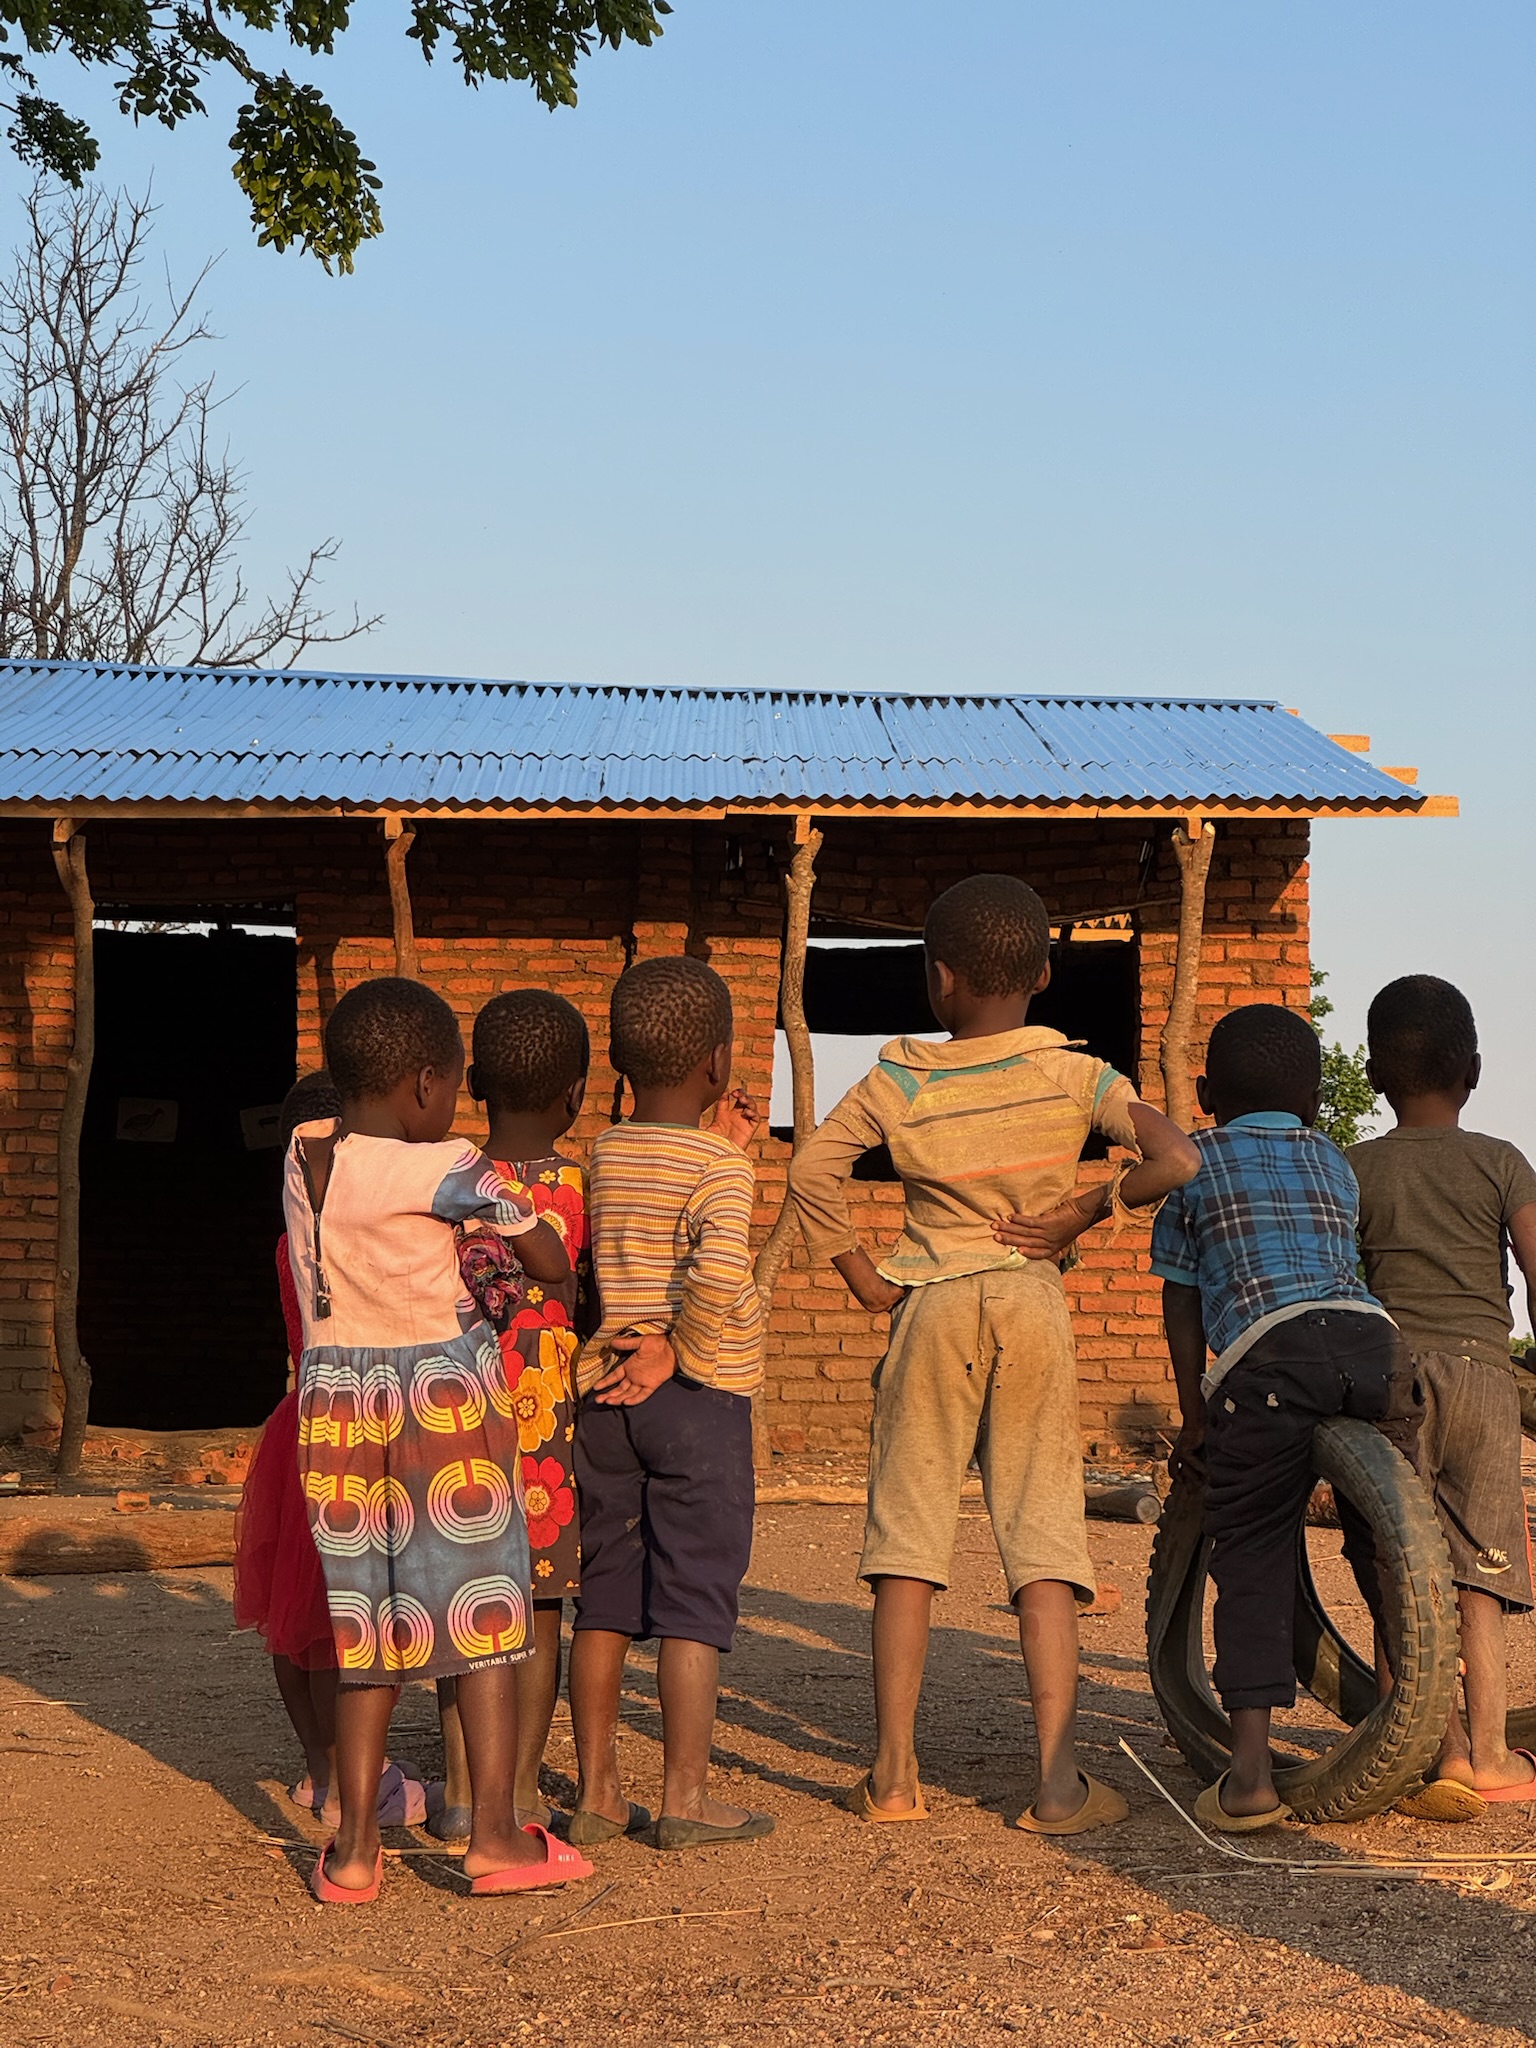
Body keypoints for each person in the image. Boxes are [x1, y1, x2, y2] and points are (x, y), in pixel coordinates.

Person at [788, 874, 1199, 1835]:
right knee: (1044, 1534)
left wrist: (859, 1272)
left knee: (907, 1534)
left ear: (938, 980)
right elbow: (1179, 1159)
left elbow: (812, 1167)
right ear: (1046, 975)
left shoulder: (899, 1077)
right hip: (1030, 1303)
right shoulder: (1075, 1075)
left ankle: (892, 1778)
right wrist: (1086, 1207)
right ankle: (1057, 1787)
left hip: (929, 1307)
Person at [284, 975, 594, 1902]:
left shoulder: (306, 1153)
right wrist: (528, 1249)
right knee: (484, 1620)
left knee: (366, 1633)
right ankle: (496, 1836)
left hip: (335, 1403)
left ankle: (351, 1857)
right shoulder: (452, 1164)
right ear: (424, 1086)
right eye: (453, 1083)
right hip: (443, 1402)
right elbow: (545, 1255)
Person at [1154, 1002, 1417, 1832]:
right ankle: (1419, 1739)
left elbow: (1182, 1299)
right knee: (1393, 1552)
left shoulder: (1190, 1165)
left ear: (1204, 1092)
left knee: (1256, 1547)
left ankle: (1250, 1778)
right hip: (1377, 1348)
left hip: (1266, 1358)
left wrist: (1195, 1414)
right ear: (1312, 1100)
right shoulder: (1335, 1162)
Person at [566, 955, 773, 1852]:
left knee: (606, 1594)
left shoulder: (601, 1153)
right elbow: (719, 1272)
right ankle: (684, 1795)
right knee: (694, 1598)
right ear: (719, 1067)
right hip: (699, 1396)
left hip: (605, 1395)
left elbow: (629, 1238)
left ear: (619, 1065)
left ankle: (599, 1793)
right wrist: (678, 1350)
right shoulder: (723, 1174)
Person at [1350, 975, 1536, 1817]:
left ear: (1375, 1074)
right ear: (1476, 1070)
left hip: (1389, 1379)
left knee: (1401, 1559)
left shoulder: (1356, 1169)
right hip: (1485, 1379)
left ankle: (1428, 1748)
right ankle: (1492, 1755)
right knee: (1481, 1572)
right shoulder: (1502, 1162)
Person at [233, 1070, 426, 1831]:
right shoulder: (356, 1240)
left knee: (297, 1612)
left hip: (296, 1425)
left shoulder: (291, 1241)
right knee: (347, 1618)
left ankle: (321, 1768)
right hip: (353, 1430)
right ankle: (356, 1779)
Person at [430, 989, 596, 1843]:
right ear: (577, 1092)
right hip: (541, 1438)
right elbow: (586, 1298)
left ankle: (460, 1791)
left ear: (477, 1084)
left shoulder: (450, 1179)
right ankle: (523, 1794)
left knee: (463, 1605)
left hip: (450, 1420)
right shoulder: (576, 1184)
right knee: (535, 1610)